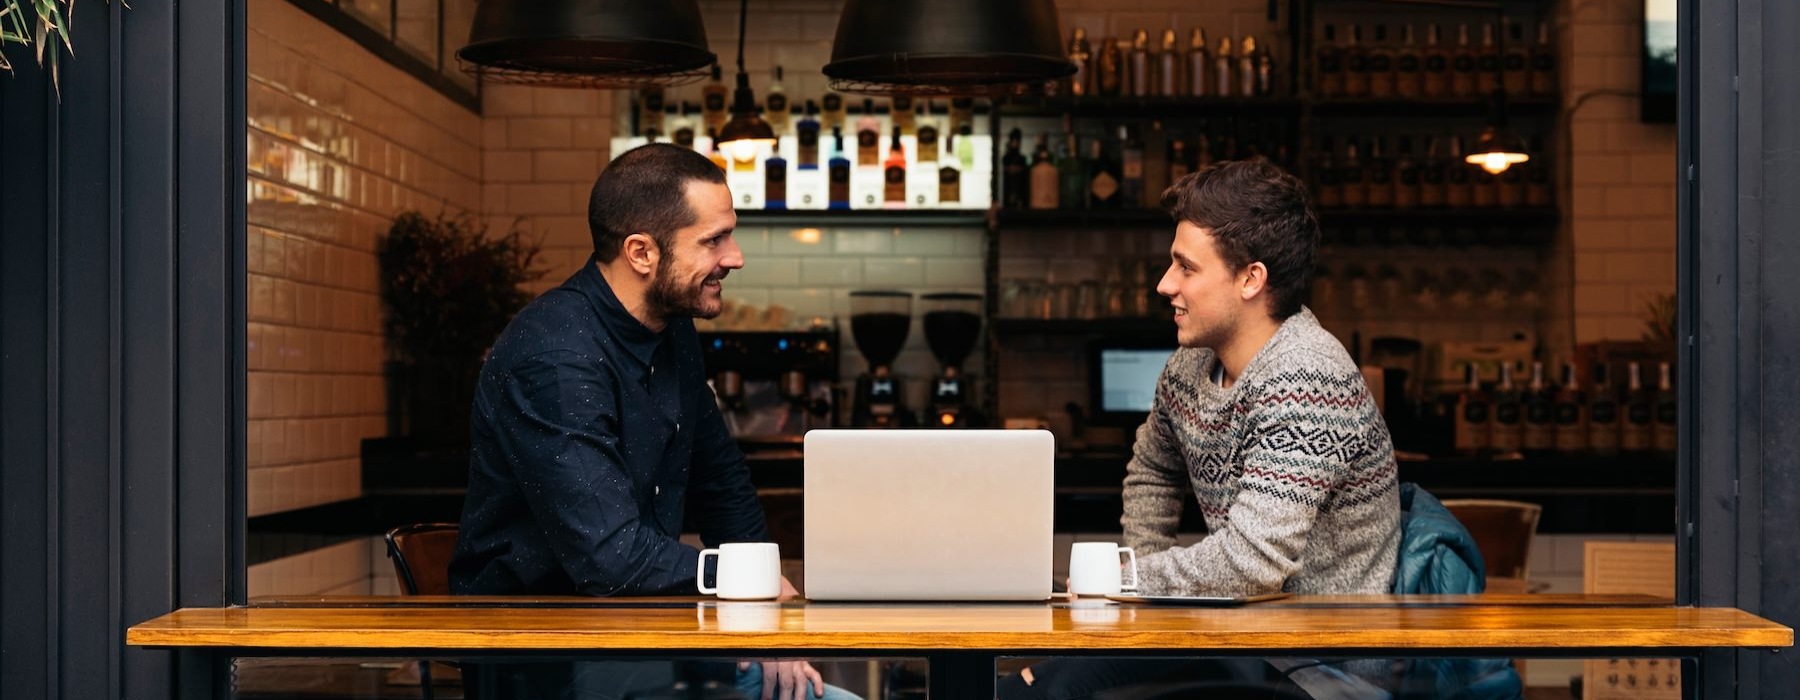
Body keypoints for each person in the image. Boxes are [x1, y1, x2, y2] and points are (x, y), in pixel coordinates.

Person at [449, 143, 857, 700]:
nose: (734, 257)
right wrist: (746, 584)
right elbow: (609, 557)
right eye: (713, 240)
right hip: (545, 660)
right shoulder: (555, 356)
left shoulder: (670, 331)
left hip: (633, 639)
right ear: (641, 252)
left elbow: (722, 484)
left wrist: (766, 620)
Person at [999, 159, 1403, 699]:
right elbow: (1152, 472)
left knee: (1051, 688)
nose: (1165, 284)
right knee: (1034, 683)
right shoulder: (1189, 369)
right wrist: (1136, 597)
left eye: (1186, 267)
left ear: (1250, 279)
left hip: (1322, 669)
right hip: (1244, 641)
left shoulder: (1308, 376)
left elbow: (1252, 563)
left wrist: (1126, 581)